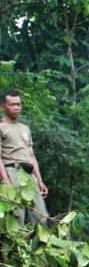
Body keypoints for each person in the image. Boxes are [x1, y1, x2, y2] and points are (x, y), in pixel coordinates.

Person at [0, 91, 49, 225]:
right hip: (12, 170)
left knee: (41, 218)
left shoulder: (25, 128)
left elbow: (31, 156)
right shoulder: (1, 127)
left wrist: (40, 181)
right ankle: (16, 245)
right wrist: (6, 181)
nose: (16, 108)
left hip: (29, 173)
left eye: (18, 104)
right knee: (16, 216)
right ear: (3, 107)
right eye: (12, 104)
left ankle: (41, 245)